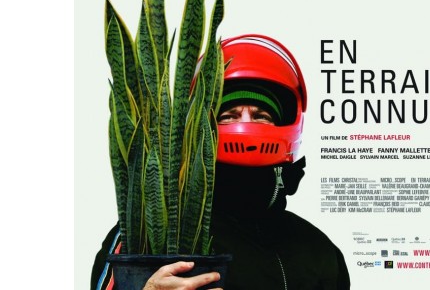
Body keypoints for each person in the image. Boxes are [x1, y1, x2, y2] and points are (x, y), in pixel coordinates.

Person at [91, 34, 351, 290]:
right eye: (229, 115)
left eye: (261, 115)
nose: (246, 125)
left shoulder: (318, 249)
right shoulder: (149, 235)